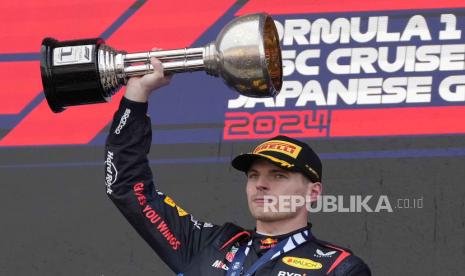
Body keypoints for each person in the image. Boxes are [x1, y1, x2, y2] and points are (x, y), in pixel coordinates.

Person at [104, 55, 371, 275]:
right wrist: (137, 94)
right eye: (253, 175)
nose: (261, 184)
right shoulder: (207, 245)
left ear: (313, 193)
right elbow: (125, 186)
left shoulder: (338, 267)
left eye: (278, 176)